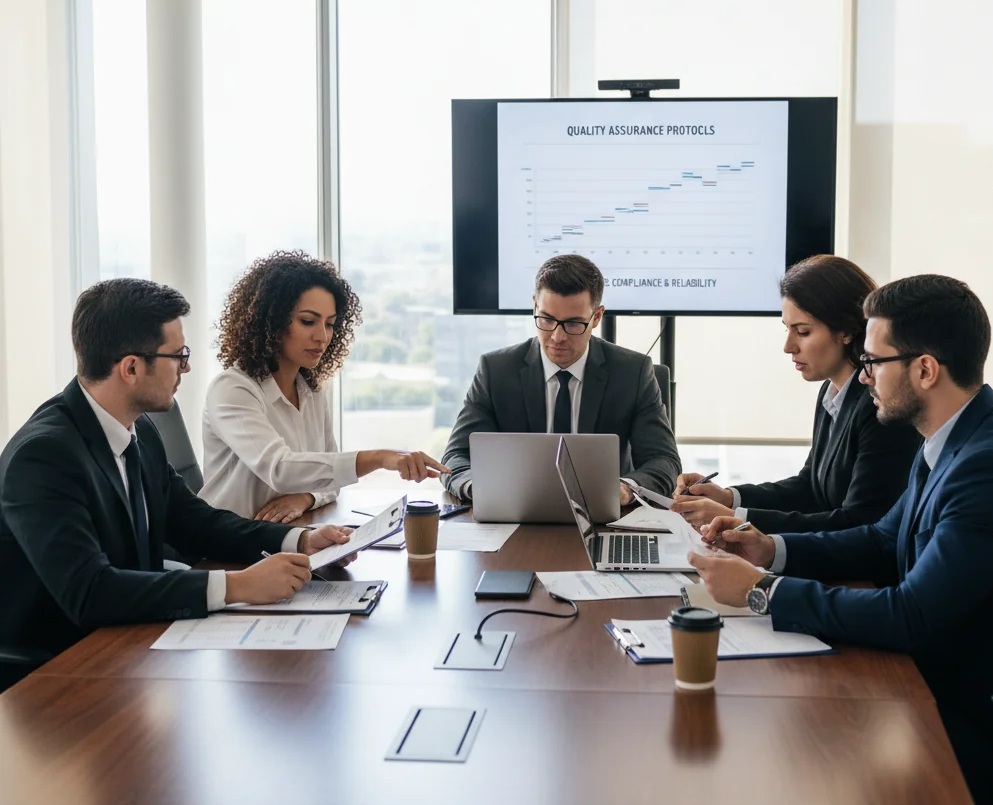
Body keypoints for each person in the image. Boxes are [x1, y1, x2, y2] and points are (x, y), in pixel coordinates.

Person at [688, 275, 993, 805]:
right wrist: (769, 548)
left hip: (977, 719)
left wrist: (762, 589)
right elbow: (878, 540)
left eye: (874, 361)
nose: (864, 375)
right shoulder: (948, 438)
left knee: (789, 771)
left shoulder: (990, 465)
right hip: (929, 682)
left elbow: (913, 615)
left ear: (924, 370)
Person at [0, 279, 354, 686]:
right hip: (55, 672)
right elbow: (89, 592)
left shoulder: (141, 431)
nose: (186, 368)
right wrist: (238, 585)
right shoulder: (44, 456)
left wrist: (299, 541)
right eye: (178, 356)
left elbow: (196, 523)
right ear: (131, 367)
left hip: (130, 646)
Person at [673, 255, 921, 533]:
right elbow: (810, 488)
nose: (788, 346)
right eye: (787, 329)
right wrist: (728, 498)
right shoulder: (832, 392)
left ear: (846, 332)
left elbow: (859, 522)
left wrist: (738, 519)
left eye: (802, 331)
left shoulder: (880, 407)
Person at [200, 251, 448, 522]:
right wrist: (379, 458)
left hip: (285, 537)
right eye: (308, 321)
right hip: (227, 545)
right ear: (270, 322)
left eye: (330, 324)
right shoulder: (233, 389)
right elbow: (280, 468)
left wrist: (305, 498)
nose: (322, 336)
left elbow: (330, 478)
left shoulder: (311, 390)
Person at [442, 254, 681, 504]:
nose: (557, 337)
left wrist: (625, 489)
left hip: (603, 518)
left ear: (597, 317)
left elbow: (664, 461)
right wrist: (478, 488)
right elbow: (456, 456)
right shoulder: (496, 370)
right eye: (546, 319)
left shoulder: (632, 372)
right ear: (535, 306)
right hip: (514, 515)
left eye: (574, 323)